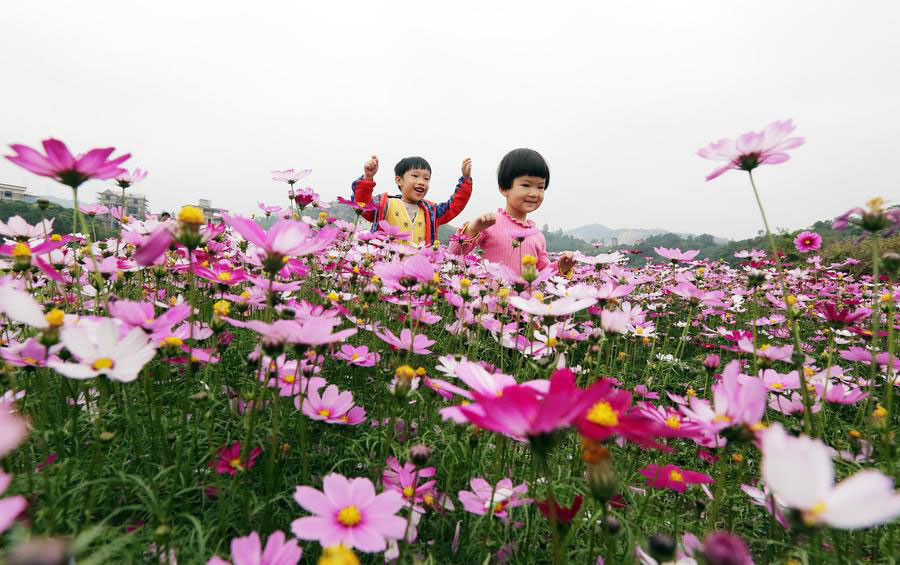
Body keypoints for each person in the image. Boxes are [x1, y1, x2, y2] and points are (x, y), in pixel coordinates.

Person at [448, 148, 575, 276]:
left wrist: (562, 266)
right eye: (526, 185)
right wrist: (472, 229)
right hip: (494, 289)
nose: (534, 193)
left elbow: (543, 274)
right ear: (504, 188)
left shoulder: (537, 236)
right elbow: (454, 253)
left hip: (527, 290)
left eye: (540, 187)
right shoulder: (490, 223)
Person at [350, 155, 473, 245]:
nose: (421, 182)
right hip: (385, 267)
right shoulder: (384, 204)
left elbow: (454, 206)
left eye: (426, 178)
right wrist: (368, 178)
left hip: (418, 270)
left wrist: (466, 180)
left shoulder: (432, 211)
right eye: (415, 176)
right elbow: (363, 205)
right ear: (399, 180)